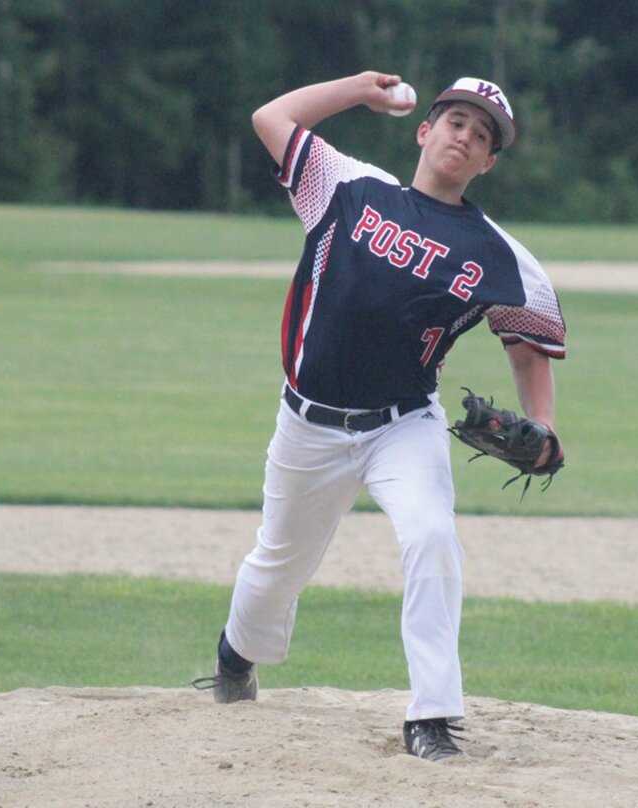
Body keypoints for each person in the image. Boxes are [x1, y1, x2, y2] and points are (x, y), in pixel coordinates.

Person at [193, 71, 566, 761]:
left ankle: (431, 717)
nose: (466, 136)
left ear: (488, 162)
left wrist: (542, 425)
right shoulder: (347, 187)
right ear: (425, 131)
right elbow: (270, 115)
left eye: (482, 135)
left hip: (404, 425)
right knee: (277, 565)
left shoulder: (501, 257)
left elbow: (527, 345)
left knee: (430, 538)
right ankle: (236, 657)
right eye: (456, 121)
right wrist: (360, 89)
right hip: (307, 424)